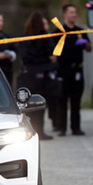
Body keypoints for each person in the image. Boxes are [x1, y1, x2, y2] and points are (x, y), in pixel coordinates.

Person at [54, 4, 92, 136]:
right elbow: (53, 52)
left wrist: (84, 43)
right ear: (65, 14)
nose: (74, 15)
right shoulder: (58, 32)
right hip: (63, 69)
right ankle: (62, 128)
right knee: (62, 100)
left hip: (77, 70)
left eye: (75, 12)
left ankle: (76, 128)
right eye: (71, 12)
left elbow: (89, 48)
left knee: (76, 101)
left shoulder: (80, 32)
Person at [19, 11, 57, 140]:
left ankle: (31, 131)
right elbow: (52, 53)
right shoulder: (44, 37)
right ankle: (40, 130)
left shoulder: (25, 37)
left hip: (28, 74)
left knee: (29, 105)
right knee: (40, 103)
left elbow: (23, 56)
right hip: (42, 74)